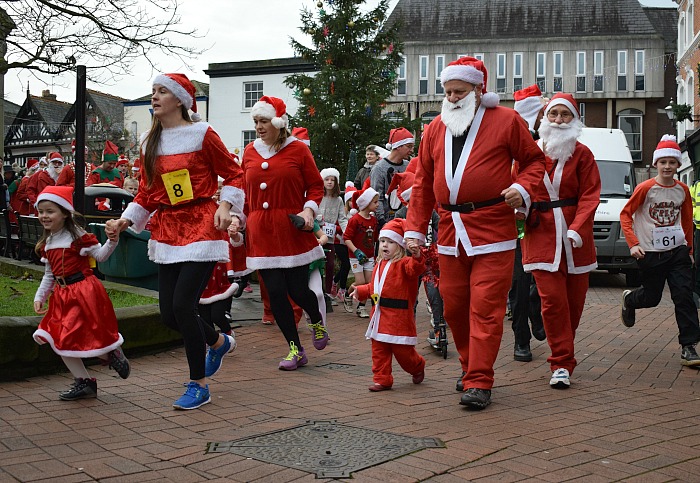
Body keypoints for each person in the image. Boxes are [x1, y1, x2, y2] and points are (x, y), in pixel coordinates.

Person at [405, 56, 545, 410]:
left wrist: (524, 189)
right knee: (454, 307)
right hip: (450, 229)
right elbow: (422, 182)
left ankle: (480, 380)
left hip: (492, 227)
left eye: (459, 91)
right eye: (448, 91)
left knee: (485, 307)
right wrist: (413, 230)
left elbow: (534, 162)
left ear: (478, 91)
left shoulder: (506, 120)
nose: (452, 97)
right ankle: (470, 368)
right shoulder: (435, 128)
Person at [105, 73, 245, 410]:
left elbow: (235, 173)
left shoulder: (202, 133)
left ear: (180, 99)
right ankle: (218, 341)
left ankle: (199, 385)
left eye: (162, 91)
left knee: (184, 306)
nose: (154, 97)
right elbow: (147, 193)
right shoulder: (148, 142)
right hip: (167, 229)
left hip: (200, 224)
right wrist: (125, 220)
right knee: (169, 315)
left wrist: (225, 205)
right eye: (152, 91)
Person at [242, 95, 328, 370]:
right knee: (276, 293)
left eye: (264, 121)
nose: (259, 126)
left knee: (298, 291)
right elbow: (245, 192)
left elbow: (316, 186)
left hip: (290, 229)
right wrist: (236, 219)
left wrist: (308, 211)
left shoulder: (298, 150)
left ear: (279, 123)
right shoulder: (249, 152)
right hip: (261, 232)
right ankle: (295, 348)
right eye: (256, 121)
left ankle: (316, 320)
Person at [521, 93, 601, 389]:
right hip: (541, 235)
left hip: (575, 241)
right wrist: (519, 208)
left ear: (574, 119)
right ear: (544, 118)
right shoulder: (530, 153)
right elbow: (518, 185)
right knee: (553, 302)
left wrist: (578, 227)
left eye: (564, 115)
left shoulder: (583, 154)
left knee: (573, 304)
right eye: (553, 114)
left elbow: (590, 194)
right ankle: (561, 362)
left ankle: (563, 352)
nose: (558, 120)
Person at [32, 186, 130, 400]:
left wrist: (113, 240)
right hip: (62, 295)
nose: (44, 216)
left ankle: (110, 353)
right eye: (41, 211)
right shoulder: (48, 242)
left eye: (50, 211)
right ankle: (85, 381)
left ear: (65, 213)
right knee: (59, 339)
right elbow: (50, 274)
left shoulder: (78, 237)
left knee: (83, 334)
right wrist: (40, 296)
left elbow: (101, 257)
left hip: (84, 292)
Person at [620, 134, 700, 366]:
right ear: (656, 164)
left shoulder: (682, 190)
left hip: (677, 251)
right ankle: (631, 300)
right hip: (649, 252)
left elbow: (686, 221)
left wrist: (690, 249)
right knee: (652, 298)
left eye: (672, 162)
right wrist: (633, 243)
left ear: (678, 164)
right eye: (663, 162)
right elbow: (625, 214)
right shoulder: (645, 188)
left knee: (684, 296)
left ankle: (689, 346)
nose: (667, 166)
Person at [350, 218, 426, 391]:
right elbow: (374, 287)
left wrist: (416, 255)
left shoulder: (404, 264)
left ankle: (417, 366)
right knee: (379, 352)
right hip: (379, 316)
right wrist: (361, 291)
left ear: (399, 245)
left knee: (404, 355)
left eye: (390, 242)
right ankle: (382, 379)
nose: (385, 245)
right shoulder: (379, 264)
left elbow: (416, 269)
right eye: (383, 241)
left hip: (398, 319)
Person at [510, 84, 547, 362]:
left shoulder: (549, 140)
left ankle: (537, 309)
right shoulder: (513, 143)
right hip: (516, 227)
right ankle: (521, 339)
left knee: (542, 281)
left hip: (545, 223)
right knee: (520, 285)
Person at [344, 187, 380, 318]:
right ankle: (348, 295)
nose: (377, 205)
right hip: (356, 256)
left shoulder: (373, 220)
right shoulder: (355, 220)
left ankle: (361, 307)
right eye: (375, 202)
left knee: (368, 283)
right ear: (366, 203)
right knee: (360, 282)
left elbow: (375, 239)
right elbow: (346, 238)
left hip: (369, 256)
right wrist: (356, 251)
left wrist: (376, 254)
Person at [371, 128, 414, 228]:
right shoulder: (379, 168)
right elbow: (378, 196)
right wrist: (382, 221)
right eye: (408, 146)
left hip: (408, 219)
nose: (411, 150)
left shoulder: (408, 165)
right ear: (398, 146)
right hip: (387, 221)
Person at [319, 167, 349, 298]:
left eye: (333, 180)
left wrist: (347, 231)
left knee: (330, 264)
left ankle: (327, 292)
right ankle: (317, 290)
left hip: (330, 238)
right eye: (327, 179)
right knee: (316, 263)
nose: (330, 182)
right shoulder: (318, 196)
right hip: (316, 235)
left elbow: (342, 218)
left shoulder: (339, 200)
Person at [331, 183, 356, 303]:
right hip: (339, 242)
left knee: (347, 265)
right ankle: (340, 288)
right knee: (346, 264)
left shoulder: (355, 214)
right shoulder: (342, 213)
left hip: (349, 243)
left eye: (355, 201)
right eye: (351, 201)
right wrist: (345, 229)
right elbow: (335, 226)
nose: (353, 203)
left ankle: (335, 283)